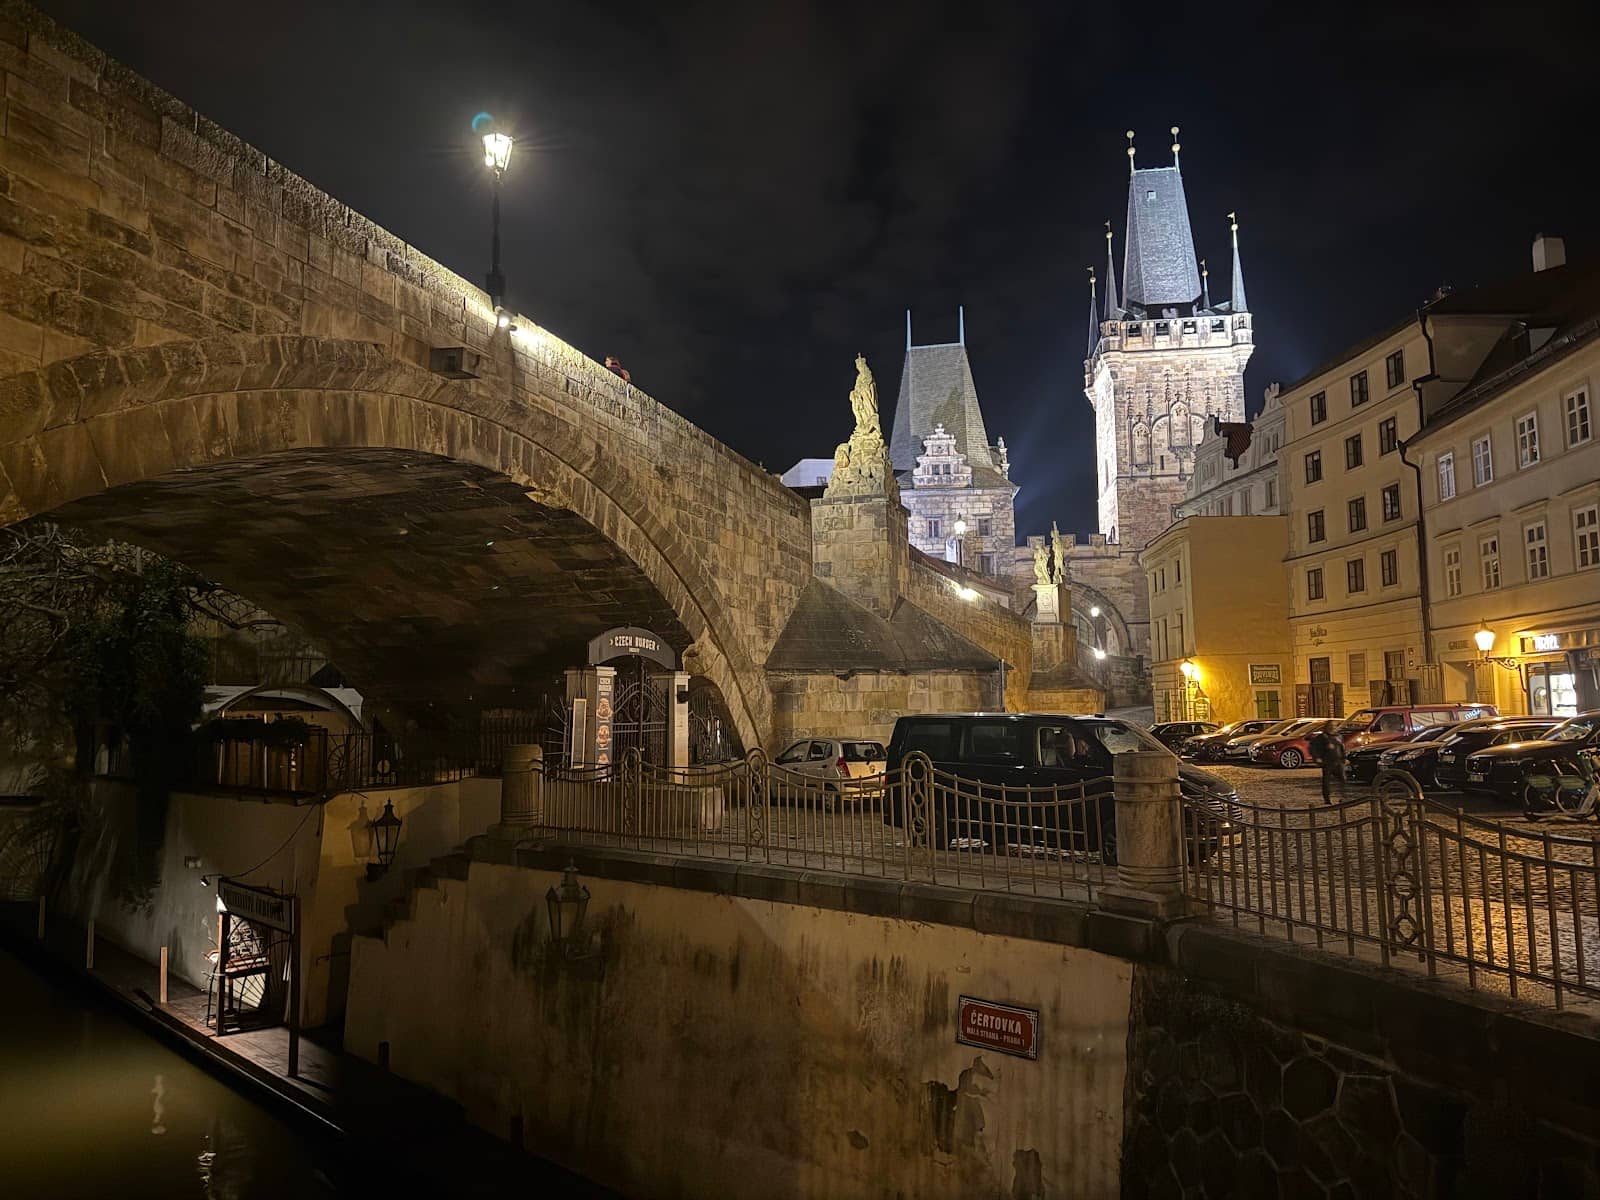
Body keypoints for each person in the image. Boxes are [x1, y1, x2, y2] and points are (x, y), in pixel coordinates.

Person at [1308, 724, 1347, 804]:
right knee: (1326, 781)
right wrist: (1317, 758)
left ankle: (1343, 796)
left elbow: (1342, 747)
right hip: (1327, 762)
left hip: (1338, 761)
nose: (1333, 729)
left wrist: (1344, 758)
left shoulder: (1338, 737)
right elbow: (1313, 748)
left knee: (1343, 779)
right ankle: (1327, 798)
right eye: (1331, 727)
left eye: (1334, 727)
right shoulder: (1322, 737)